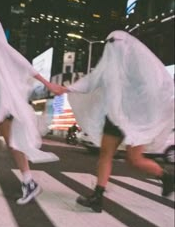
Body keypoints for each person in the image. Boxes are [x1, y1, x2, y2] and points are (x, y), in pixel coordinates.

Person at [0, 16, 65, 204]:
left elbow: (27, 67)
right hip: (0, 104)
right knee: (13, 144)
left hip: (2, 103)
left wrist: (49, 85)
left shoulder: (1, 49)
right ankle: (29, 182)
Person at [64, 30, 174, 213]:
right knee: (105, 154)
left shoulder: (141, 66)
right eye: (109, 43)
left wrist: (140, 110)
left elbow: (153, 89)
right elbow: (92, 80)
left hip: (136, 119)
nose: (112, 47)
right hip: (114, 116)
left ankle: (166, 177)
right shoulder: (109, 66)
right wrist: (67, 88)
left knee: (135, 160)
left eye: (115, 43)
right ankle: (97, 197)